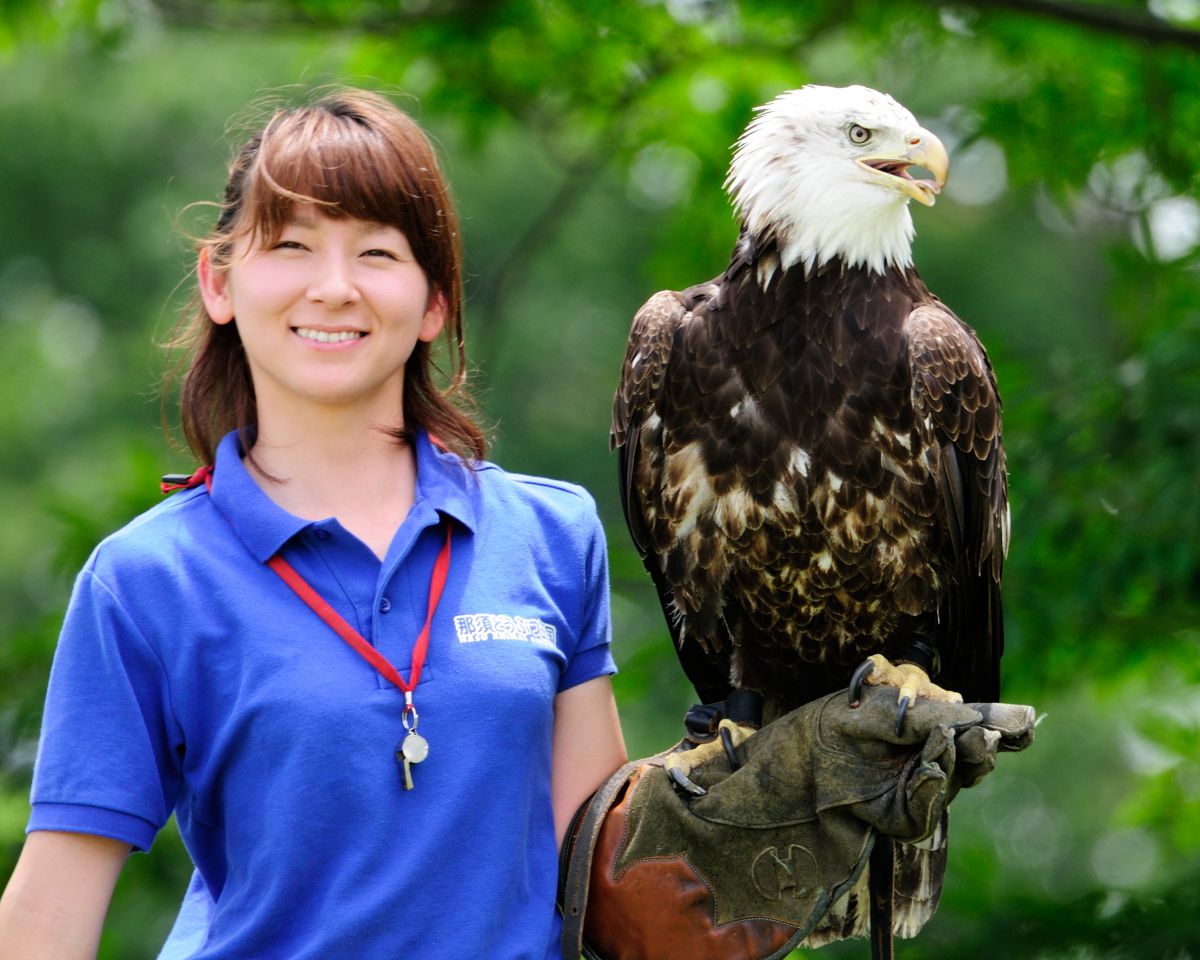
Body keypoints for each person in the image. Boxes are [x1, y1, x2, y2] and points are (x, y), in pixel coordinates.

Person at [0, 87, 627, 960]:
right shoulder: (145, 580)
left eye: (377, 252)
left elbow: (604, 871)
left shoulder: (554, 534)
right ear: (220, 282)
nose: (334, 289)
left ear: (434, 302)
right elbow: (49, 915)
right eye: (291, 246)